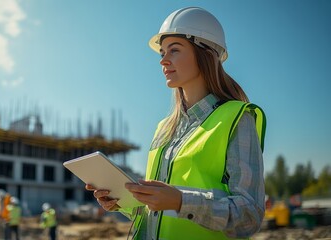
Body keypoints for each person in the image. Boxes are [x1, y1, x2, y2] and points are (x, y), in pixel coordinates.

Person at [86, 7, 266, 239]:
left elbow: (248, 215)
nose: (163, 60)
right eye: (162, 52)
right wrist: (123, 201)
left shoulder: (237, 118)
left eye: (174, 50)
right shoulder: (164, 128)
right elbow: (158, 212)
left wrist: (181, 201)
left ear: (206, 54)